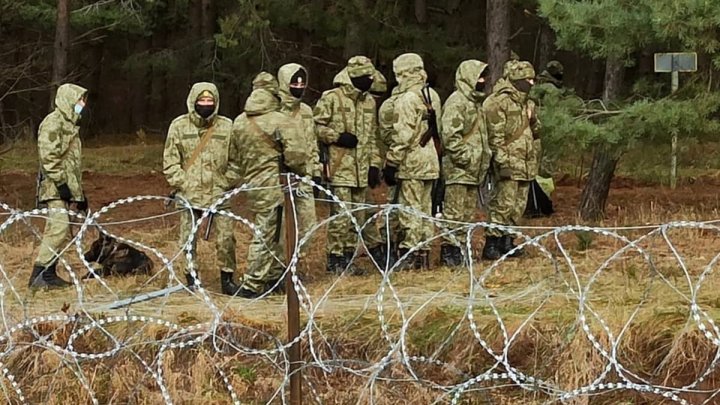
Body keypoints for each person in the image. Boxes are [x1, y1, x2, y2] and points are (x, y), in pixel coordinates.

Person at [231, 72, 310, 298]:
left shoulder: (239, 122)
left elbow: (234, 157)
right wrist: (300, 173)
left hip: (254, 183)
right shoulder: (281, 120)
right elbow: (297, 156)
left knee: (272, 230)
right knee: (270, 233)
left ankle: (275, 277)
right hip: (277, 184)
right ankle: (253, 283)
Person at [162, 82, 241, 295]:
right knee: (188, 239)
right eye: (201, 100)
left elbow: (237, 160)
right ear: (193, 101)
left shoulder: (227, 126)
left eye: (209, 101)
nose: (205, 104)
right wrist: (184, 184)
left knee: (226, 238)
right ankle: (191, 278)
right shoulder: (178, 126)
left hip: (219, 193)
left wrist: (226, 182)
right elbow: (170, 162)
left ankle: (227, 278)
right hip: (190, 194)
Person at [313, 56, 384, 274]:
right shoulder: (332, 98)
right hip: (340, 167)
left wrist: (374, 164)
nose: (369, 81)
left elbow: (372, 136)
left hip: (362, 169)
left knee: (359, 216)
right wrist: (336, 137)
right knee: (341, 218)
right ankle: (336, 259)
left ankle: (349, 257)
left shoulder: (369, 101)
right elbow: (315, 127)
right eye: (365, 77)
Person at [383, 53, 442, 270]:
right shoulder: (431, 95)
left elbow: (402, 136)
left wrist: (391, 162)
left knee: (410, 209)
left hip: (412, 162)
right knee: (426, 209)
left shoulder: (407, 99)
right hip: (430, 160)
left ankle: (410, 253)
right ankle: (424, 254)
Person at [30, 83, 89, 289]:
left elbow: (72, 165)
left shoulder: (71, 126)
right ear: (68, 99)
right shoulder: (53, 122)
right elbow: (48, 157)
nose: (82, 104)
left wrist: (79, 194)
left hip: (65, 187)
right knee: (58, 228)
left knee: (59, 230)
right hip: (54, 186)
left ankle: (49, 273)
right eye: (80, 100)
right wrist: (61, 183)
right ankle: (40, 274)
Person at [482, 61, 539, 260]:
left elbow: (536, 133)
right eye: (527, 80)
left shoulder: (528, 103)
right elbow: (495, 137)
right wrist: (502, 163)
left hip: (525, 163)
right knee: (502, 205)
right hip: (508, 163)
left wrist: (532, 120)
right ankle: (492, 244)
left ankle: (508, 241)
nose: (531, 83)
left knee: (518, 206)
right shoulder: (498, 102)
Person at [439, 60, 492, 267]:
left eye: (483, 78)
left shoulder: (476, 104)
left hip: (472, 171)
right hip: (459, 170)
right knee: (454, 213)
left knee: (467, 214)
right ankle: (449, 251)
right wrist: (467, 158)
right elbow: (450, 137)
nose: (482, 81)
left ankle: (461, 248)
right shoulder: (457, 102)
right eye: (478, 77)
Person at [276, 63, 320, 250]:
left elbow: (312, 144)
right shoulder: (274, 110)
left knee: (309, 225)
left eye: (302, 85)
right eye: (294, 84)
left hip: (304, 177)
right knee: (280, 228)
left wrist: (315, 171)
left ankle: (296, 261)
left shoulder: (306, 111)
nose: (298, 88)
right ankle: (281, 268)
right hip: (279, 178)